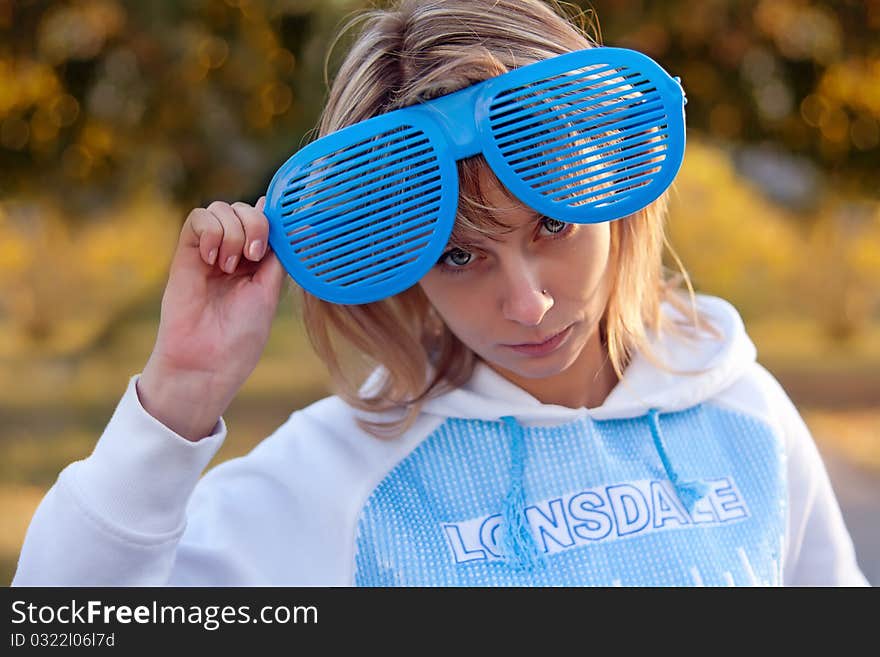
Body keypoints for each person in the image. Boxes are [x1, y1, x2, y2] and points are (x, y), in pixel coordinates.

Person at [13, 0, 868, 587]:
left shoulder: (747, 416)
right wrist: (181, 391)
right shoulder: (343, 474)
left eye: (553, 227)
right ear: (398, 258)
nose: (527, 303)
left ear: (613, 188)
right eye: (461, 257)